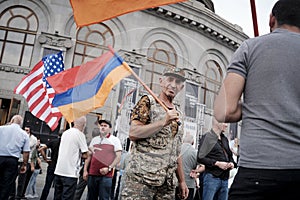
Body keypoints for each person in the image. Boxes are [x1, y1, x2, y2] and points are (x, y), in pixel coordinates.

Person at [214, 0, 300, 199]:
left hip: (257, 171)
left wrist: (258, 104)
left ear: (272, 19)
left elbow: (223, 111)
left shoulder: (249, 48)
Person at [121, 67, 189, 200]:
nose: (173, 85)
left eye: (178, 82)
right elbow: (133, 133)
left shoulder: (179, 114)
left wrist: (182, 181)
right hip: (141, 181)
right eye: (170, 79)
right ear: (161, 81)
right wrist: (163, 121)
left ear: (182, 87)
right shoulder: (148, 102)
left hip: (166, 185)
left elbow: (176, 150)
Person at [197, 118, 236, 200]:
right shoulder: (207, 137)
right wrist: (217, 163)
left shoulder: (224, 139)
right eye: (224, 123)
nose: (226, 125)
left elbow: (230, 156)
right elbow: (200, 157)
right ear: (217, 122)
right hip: (212, 178)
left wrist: (231, 163)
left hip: (225, 179)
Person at [83, 119, 122, 200]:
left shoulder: (114, 140)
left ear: (110, 128)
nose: (103, 127)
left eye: (105, 126)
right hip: (92, 174)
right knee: (90, 197)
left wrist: (109, 168)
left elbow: (118, 157)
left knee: (104, 198)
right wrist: (85, 170)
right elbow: (89, 156)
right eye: (101, 126)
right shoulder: (94, 140)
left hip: (106, 176)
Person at [54, 116, 89, 200]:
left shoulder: (65, 133)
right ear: (84, 125)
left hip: (59, 170)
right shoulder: (80, 135)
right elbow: (85, 155)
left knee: (57, 197)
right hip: (70, 173)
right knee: (67, 197)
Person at [0, 115, 30, 200]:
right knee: (7, 183)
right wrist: (24, 164)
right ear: (21, 123)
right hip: (12, 160)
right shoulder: (24, 134)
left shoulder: (1, 129)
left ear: (11, 120)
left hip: (0, 156)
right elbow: (26, 152)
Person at [175, 134, 205, 200]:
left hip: (175, 182)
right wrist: (196, 171)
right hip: (189, 184)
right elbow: (203, 167)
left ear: (183, 141)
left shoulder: (176, 150)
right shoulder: (195, 152)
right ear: (193, 142)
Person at [15, 126, 37, 199]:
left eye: (27, 130)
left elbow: (27, 147)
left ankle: (19, 195)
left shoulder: (33, 139)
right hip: (18, 159)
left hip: (26, 161)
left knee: (22, 180)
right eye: (24, 130)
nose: (25, 131)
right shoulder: (21, 136)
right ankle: (13, 193)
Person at [39, 131, 61, 200]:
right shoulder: (65, 144)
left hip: (52, 165)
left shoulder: (54, 141)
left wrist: (46, 159)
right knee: (58, 187)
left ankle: (43, 198)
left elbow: (41, 149)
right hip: (60, 166)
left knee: (47, 185)